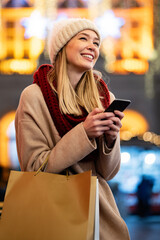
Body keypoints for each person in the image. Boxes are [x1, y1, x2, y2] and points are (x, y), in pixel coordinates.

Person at [15, 18, 130, 240]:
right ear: (61, 46)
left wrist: (110, 139)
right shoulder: (34, 96)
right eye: (83, 38)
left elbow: (108, 173)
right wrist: (84, 133)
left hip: (99, 214)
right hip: (53, 213)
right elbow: (34, 168)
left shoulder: (104, 99)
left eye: (96, 42)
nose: (92, 46)